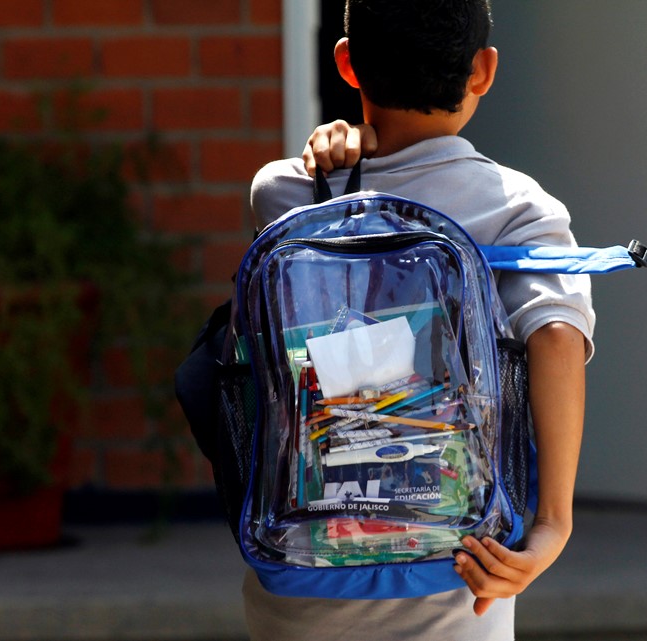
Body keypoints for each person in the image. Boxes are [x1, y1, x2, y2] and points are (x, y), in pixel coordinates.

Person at [242, 1, 594, 639]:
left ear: (347, 64)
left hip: (303, 567)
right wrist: (552, 525)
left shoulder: (287, 194)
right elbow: (558, 338)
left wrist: (341, 148)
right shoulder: (519, 208)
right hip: (457, 573)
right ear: (483, 70)